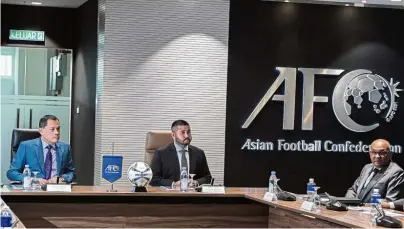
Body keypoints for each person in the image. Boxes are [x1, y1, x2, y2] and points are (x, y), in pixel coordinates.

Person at [7, 115, 75, 185]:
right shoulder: (26, 147)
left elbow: (71, 173)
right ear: (41, 131)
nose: (56, 132)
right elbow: (11, 172)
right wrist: (31, 179)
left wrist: (62, 179)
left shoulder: (65, 148)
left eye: (58, 129)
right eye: (52, 129)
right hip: (34, 190)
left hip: (57, 190)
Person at [150, 120, 211, 187]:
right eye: (182, 132)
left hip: (193, 195)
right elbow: (153, 179)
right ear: (173, 135)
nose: (187, 135)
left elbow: (207, 177)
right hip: (170, 195)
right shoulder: (161, 153)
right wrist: (174, 184)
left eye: (188, 132)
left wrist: (196, 182)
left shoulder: (199, 153)